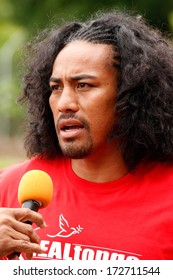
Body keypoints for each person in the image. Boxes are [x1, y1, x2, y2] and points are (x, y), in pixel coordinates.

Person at [0, 9, 173, 261]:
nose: (64, 104)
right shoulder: (10, 186)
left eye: (83, 85)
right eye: (56, 88)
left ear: (131, 95)